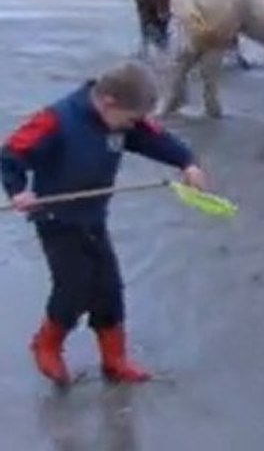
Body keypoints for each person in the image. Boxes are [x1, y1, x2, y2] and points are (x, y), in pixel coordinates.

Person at [0, 62, 207, 385]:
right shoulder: (56, 119)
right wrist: (18, 191)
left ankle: (115, 360)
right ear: (108, 102)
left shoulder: (125, 121)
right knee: (74, 287)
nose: (132, 126)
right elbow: (11, 153)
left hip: (94, 217)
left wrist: (187, 162)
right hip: (57, 219)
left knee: (109, 289)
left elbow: (156, 139)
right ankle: (47, 344)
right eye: (129, 120)